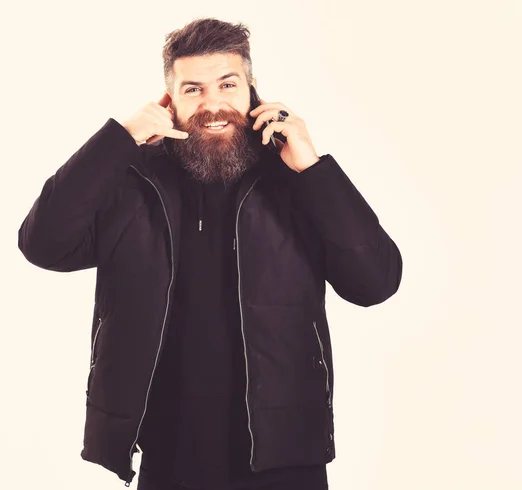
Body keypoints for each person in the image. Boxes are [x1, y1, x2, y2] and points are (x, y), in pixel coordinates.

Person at [17, 17, 402, 490]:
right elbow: (43, 244)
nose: (212, 104)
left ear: (253, 90)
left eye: (227, 84)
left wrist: (314, 168)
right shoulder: (135, 182)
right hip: (168, 453)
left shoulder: (297, 180)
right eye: (193, 89)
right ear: (169, 100)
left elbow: (375, 283)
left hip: (283, 455)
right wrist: (117, 138)